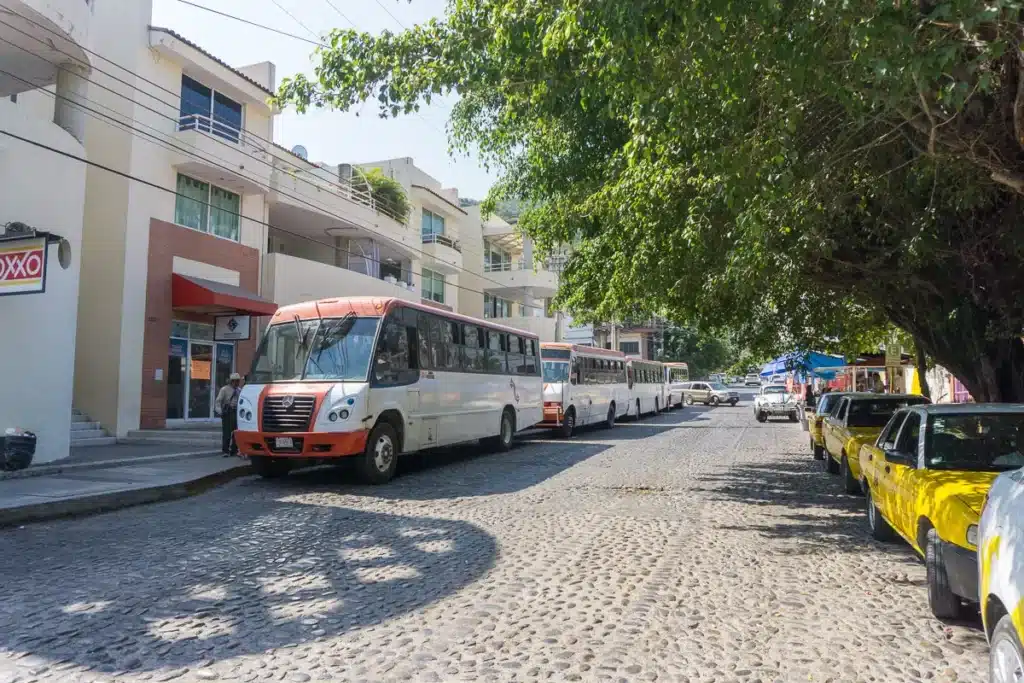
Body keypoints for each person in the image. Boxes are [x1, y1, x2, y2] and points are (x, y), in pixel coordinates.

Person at [215, 373, 242, 457]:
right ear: (231, 381)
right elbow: (218, 401)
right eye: (235, 381)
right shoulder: (224, 390)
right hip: (228, 412)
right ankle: (225, 450)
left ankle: (234, 450)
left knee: (236, 433)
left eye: (238, 381)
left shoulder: (239, 390)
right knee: (227, 433)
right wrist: (220, 411)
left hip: (236, 412)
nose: (237, 383)